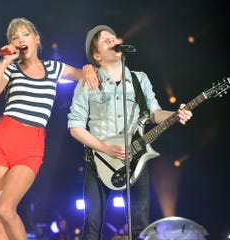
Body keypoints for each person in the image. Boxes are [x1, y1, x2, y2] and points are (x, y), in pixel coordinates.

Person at [67, 25, 193, 240]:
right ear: (97, 55)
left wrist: (176, 113)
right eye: (104, 40)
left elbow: (154, 113)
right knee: (92, 225)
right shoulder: (88, 82)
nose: (111, 40)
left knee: (139, 226)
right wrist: (105, 148)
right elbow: (75, 126)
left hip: (135, 159)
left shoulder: (139, 79)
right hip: (100, 161)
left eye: (112, 37)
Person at [0, 17, 98, 240]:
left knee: (6, 209)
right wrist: (4, 62)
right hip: (0, 141)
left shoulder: (53, 68)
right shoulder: (11, 69)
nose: (20, 39)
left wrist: (88, 67)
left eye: (24, 34)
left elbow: (85, 76)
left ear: (36, 39)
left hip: (31, 145)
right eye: (15, 37)